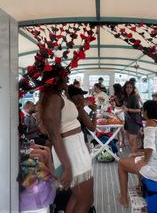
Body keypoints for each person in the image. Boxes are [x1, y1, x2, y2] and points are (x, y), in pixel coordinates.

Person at [39, 64, 94, 213]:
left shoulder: (59, 95)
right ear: (57, 79)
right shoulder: (52, 98)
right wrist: (67, 166)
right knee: (86, 199)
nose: (68, 79)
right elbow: (54, 134)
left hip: (76, 148)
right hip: (70, 152)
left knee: (77, 197)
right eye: (65, 77)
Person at [117, 100, 157, 207]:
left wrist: (144, 160)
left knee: (121, 164)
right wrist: (139, 155)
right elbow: (155, 149)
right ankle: (141, 188)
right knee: (134, 158)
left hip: (156, 170)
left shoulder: (150, 123)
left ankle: (123, 198)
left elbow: (150, 147)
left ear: (145, 111)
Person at [122, 81, 142, 153]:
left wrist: (128, 109)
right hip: (128, 120)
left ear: (133, 88)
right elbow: (124, 106)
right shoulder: (125, 97)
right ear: (125, 88)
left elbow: (139, 110)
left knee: (132, 140)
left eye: (131, 87)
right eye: (127, 87)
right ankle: (134, 154)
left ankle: (135, 157)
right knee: (130, 140)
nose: (129, 89)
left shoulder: (134, 97)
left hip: (134, 121)